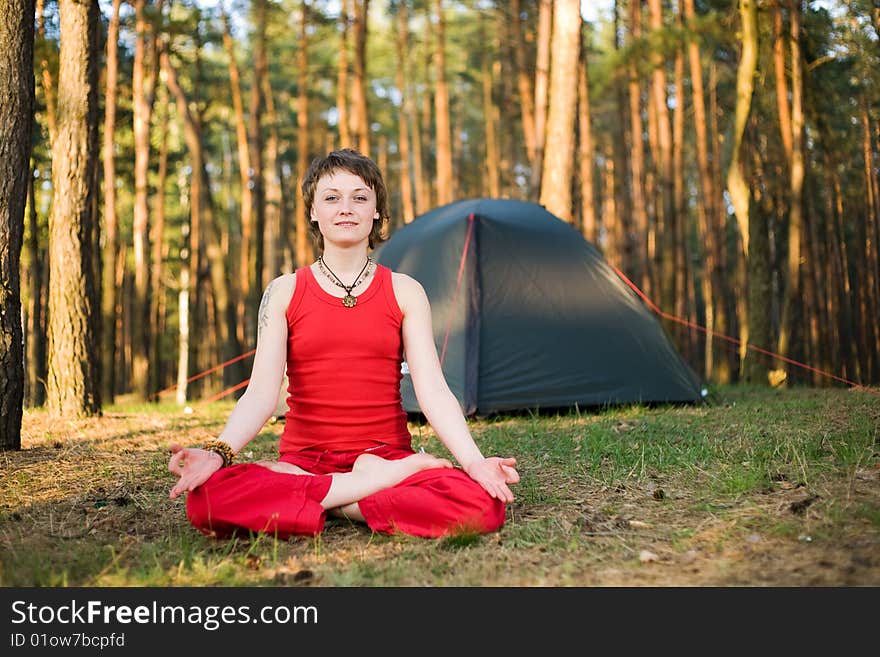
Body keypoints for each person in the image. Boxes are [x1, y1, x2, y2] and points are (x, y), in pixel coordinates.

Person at [168, 148, 520, 539]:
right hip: (305, 463)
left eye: (360, 197)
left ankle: (311, 503)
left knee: (483, 506)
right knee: (205, 499)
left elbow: (433, 390)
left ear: (376, 213)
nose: (346, 208)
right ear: (313, 212)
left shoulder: (405, 291)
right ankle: (359, 497)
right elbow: (261, 393)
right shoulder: (284, 291)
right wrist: (217, 453)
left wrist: (473, 463)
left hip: (384, 456)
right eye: (332, 197)